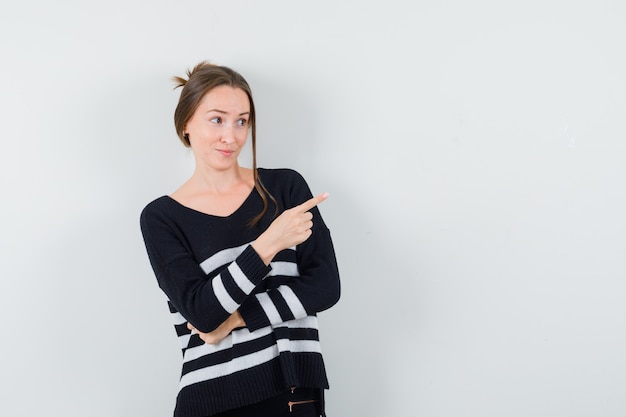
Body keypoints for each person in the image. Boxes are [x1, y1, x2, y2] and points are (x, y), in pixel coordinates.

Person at [140, 61, 341, 417]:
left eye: (241, 121)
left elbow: (326, 286)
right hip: (214, 400)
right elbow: (202, 313)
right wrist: (268, 244)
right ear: (186, 123)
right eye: (216, 119)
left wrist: (235, 319)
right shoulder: (161, 218)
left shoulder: (285, 188)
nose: (230, 136)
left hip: (295, 387)